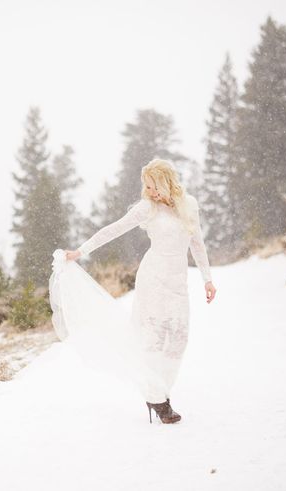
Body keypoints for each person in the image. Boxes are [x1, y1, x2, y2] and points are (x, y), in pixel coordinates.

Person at [60, 159, 216, 424]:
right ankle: (158, 400)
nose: (151, 192)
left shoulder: (188, 205)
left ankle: (158, 391)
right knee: (154, 337)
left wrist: (207, 279)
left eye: (154, 186)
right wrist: (79, 252)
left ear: (167, 182)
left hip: (177, 280)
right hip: (153, 276)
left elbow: (197, 244)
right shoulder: (148, 208)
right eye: (147, 187)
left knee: (179, 338)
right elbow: (113, 229)